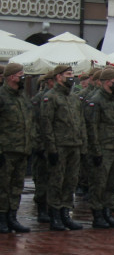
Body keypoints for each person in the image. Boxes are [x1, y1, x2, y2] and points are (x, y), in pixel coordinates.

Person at [39, 65, 86, 231]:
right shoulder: (50, 97)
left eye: (72, 74)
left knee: (70, 181)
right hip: (59, 146)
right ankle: (55, 215)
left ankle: (66, 213)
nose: (71, 77)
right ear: (58, 77)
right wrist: (51, 148)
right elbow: (46, 124)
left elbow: (81, 123)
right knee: (56, 182)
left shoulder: (73, 98)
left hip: (74, 145)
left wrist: (83, 145)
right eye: (68, 74)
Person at [84, 67, 114, 229]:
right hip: (103, 149)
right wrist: (95, 150)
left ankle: (108, 212)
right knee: (99, 183)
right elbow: (92, 128)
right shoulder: (96, 100)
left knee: (113, 183)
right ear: (106, 82)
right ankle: (98, 214)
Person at [0, 63, 35, 233]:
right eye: (20, 74)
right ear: (11, 76)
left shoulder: (22, 96)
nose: (23, 77)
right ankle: (1, 218)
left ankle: (12, 216)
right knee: (3, 186)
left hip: (23, 149)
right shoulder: (1, 96)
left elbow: (30, 122)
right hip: (6, 150)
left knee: (16, 186)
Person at [30, 69, 55, 223]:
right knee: (42, 179)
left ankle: (53, 208)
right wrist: (38, 145)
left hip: (55, 145)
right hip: (42, 146)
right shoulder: (40, 98)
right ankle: (41, 209)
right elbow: (35, 124)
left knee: (54, 179)